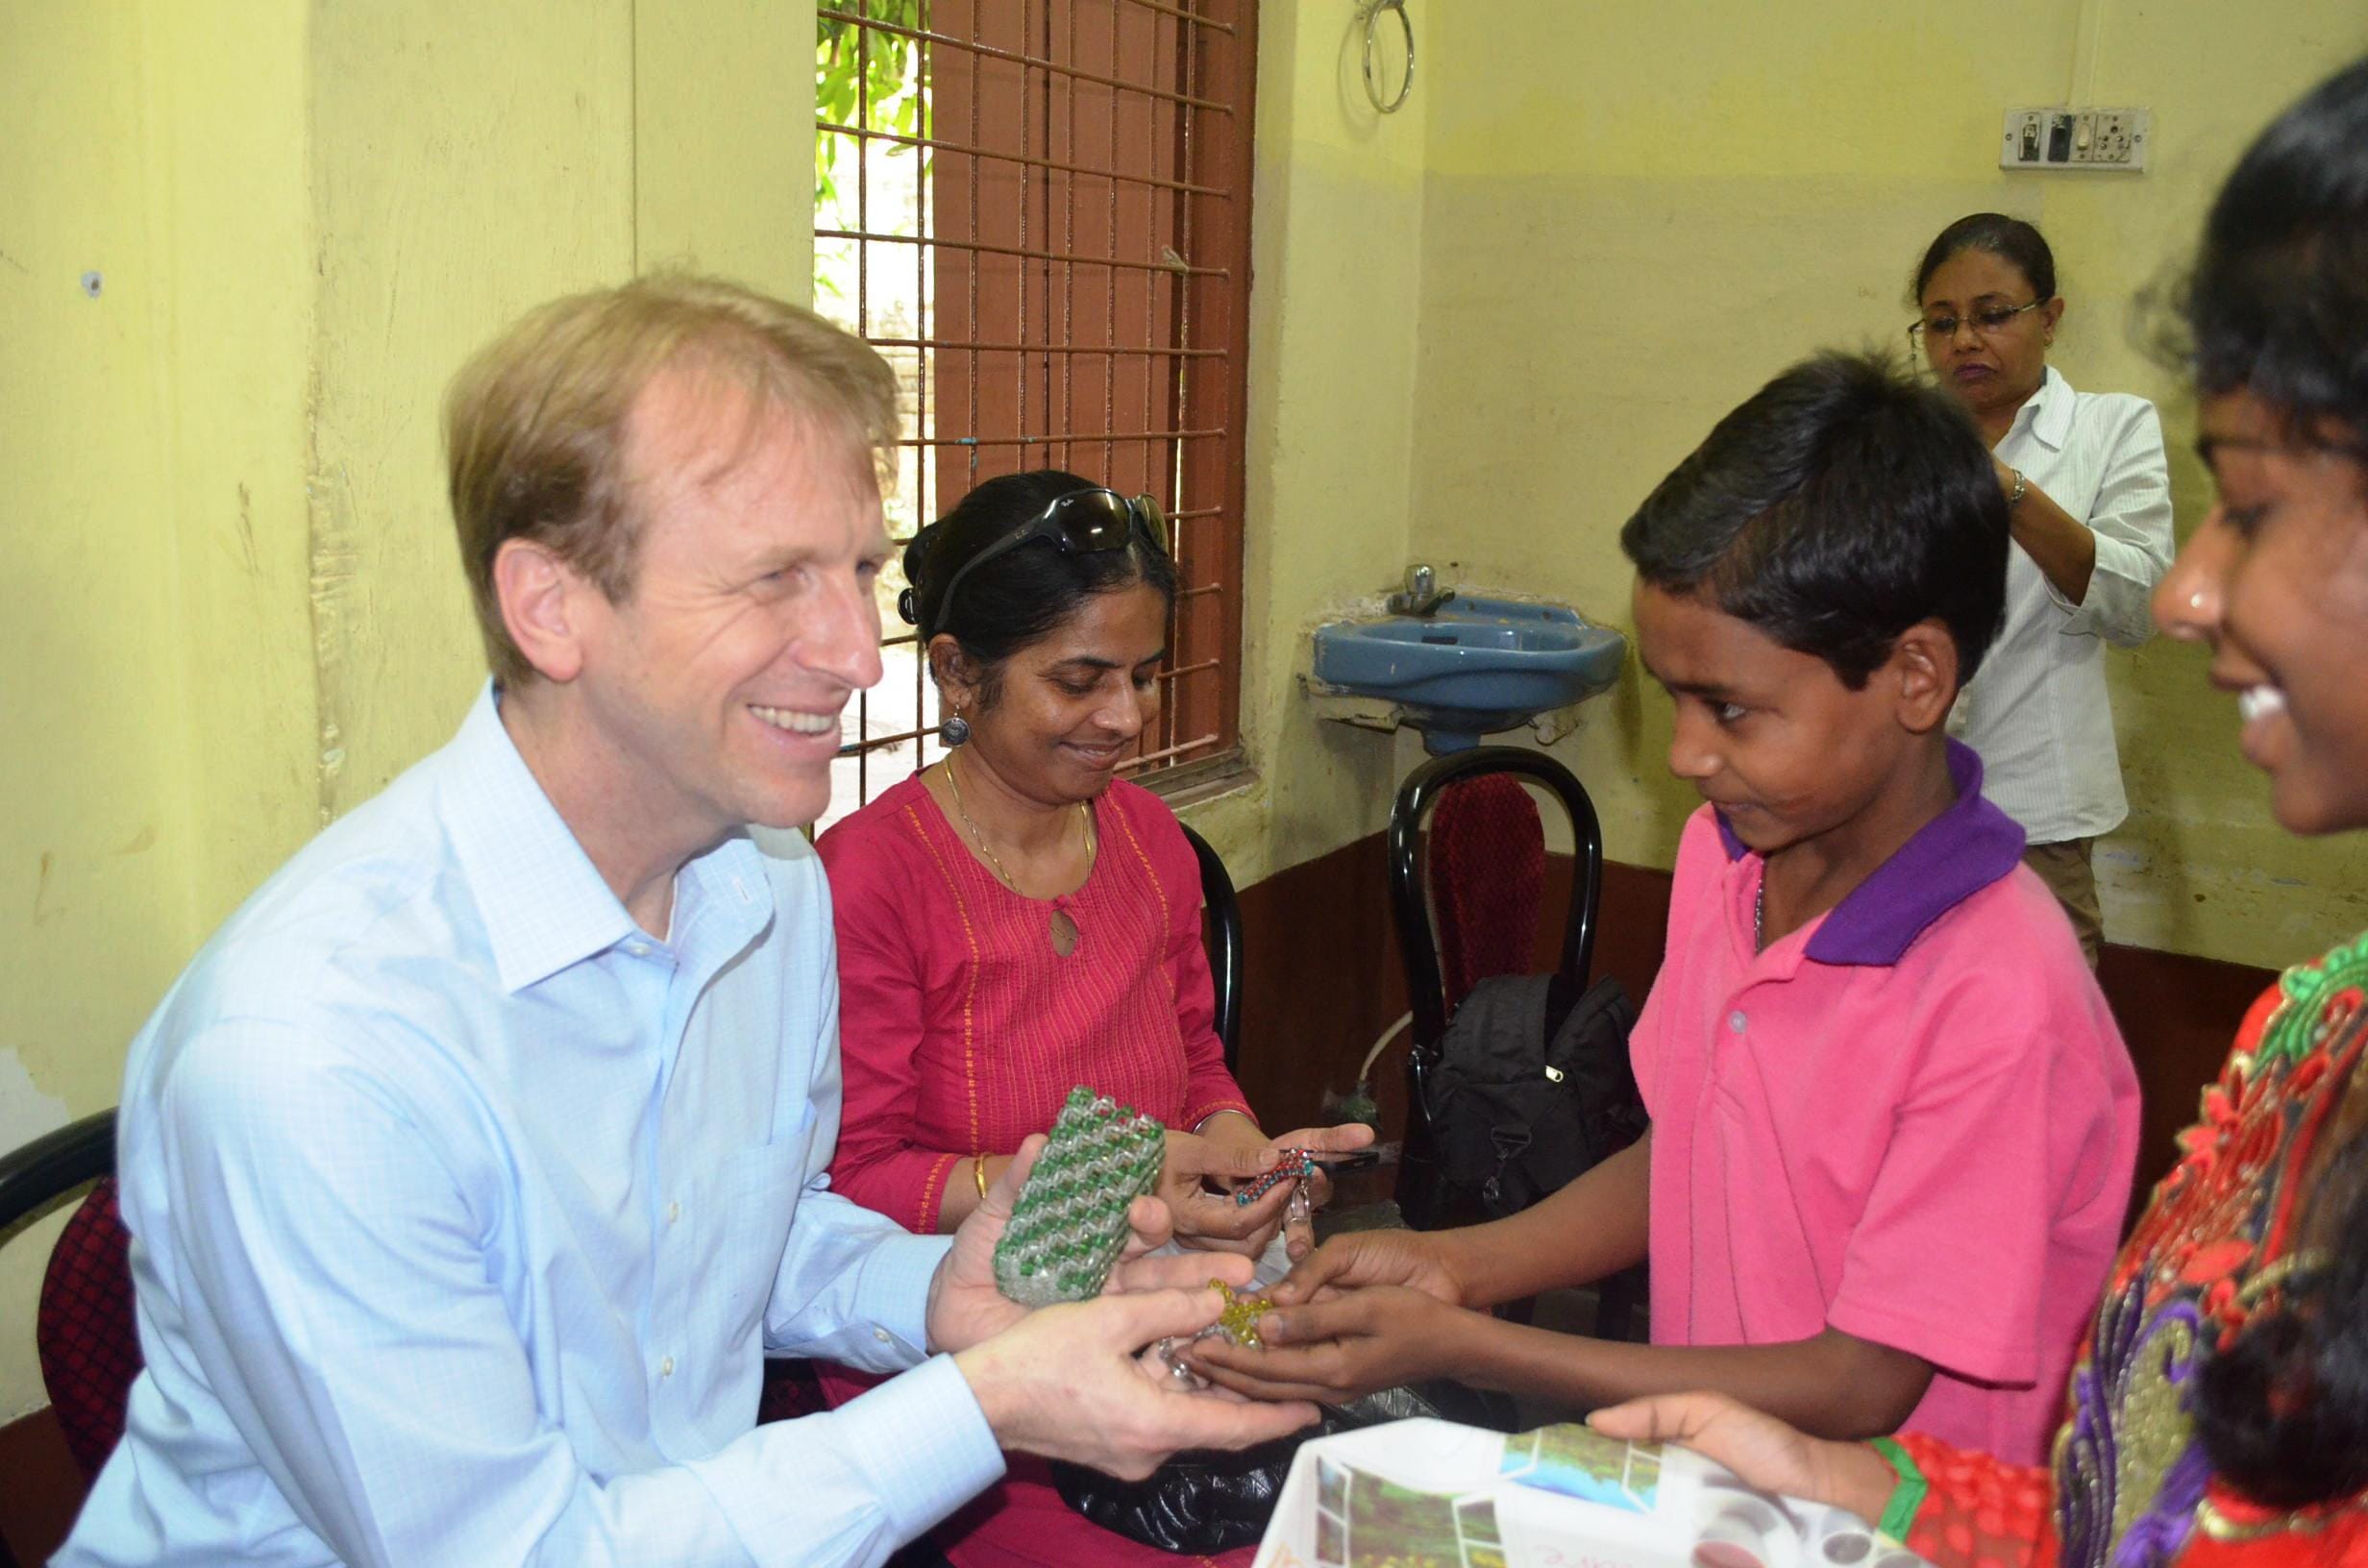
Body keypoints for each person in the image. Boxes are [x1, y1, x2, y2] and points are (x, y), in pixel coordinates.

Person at [54, 278, 1314, 1568]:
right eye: (775, 580)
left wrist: (939, 1298)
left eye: (860, 574)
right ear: (551, 607)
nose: (856, 655)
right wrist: (980, 1404)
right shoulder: (318, 1056)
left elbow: (727, 1249)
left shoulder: (758, 881)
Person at [1587, 58, 2368, 1566]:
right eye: (1938, 318)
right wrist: (1864, 1492)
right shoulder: (2313, 1038)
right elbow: (2131, 1514)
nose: (2200, 592)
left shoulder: (2006, 986)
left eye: (2258, 507)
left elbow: (1894, 1371)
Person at [1188, 353, 2140, 1469]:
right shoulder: (1726, 860)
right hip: (1723, 1498)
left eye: (1730, 711)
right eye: (1671, 696)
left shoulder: (2000, 996)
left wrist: (1469, 1349)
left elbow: (1858, 1380)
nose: (1686, 755)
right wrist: (1461, 1265)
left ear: (1914, 677)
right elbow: (1687, 1152)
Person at [814, 468, 1369, 1566]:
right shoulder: (869, 881)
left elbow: (1195, 1064)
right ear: (958, 674)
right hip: (962, 1350)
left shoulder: (1150, 844)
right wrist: (1100, 1175)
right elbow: (856, 1180)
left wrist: (1243, 1165)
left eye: (1143, 676)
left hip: (1158, 1294)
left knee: (1346, 1496)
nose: (1124, 717)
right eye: (1079, 680)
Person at [1912, 212, 2177, 964]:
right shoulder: (1900, 440)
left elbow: (2135, 609)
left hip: (2036, 810)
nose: (1965, 340)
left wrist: (2006, 489)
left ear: (2049, 318)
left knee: (2045, 1042)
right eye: (1941, 323)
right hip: (1897, 805)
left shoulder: (2111, 429)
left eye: (1992, 315)